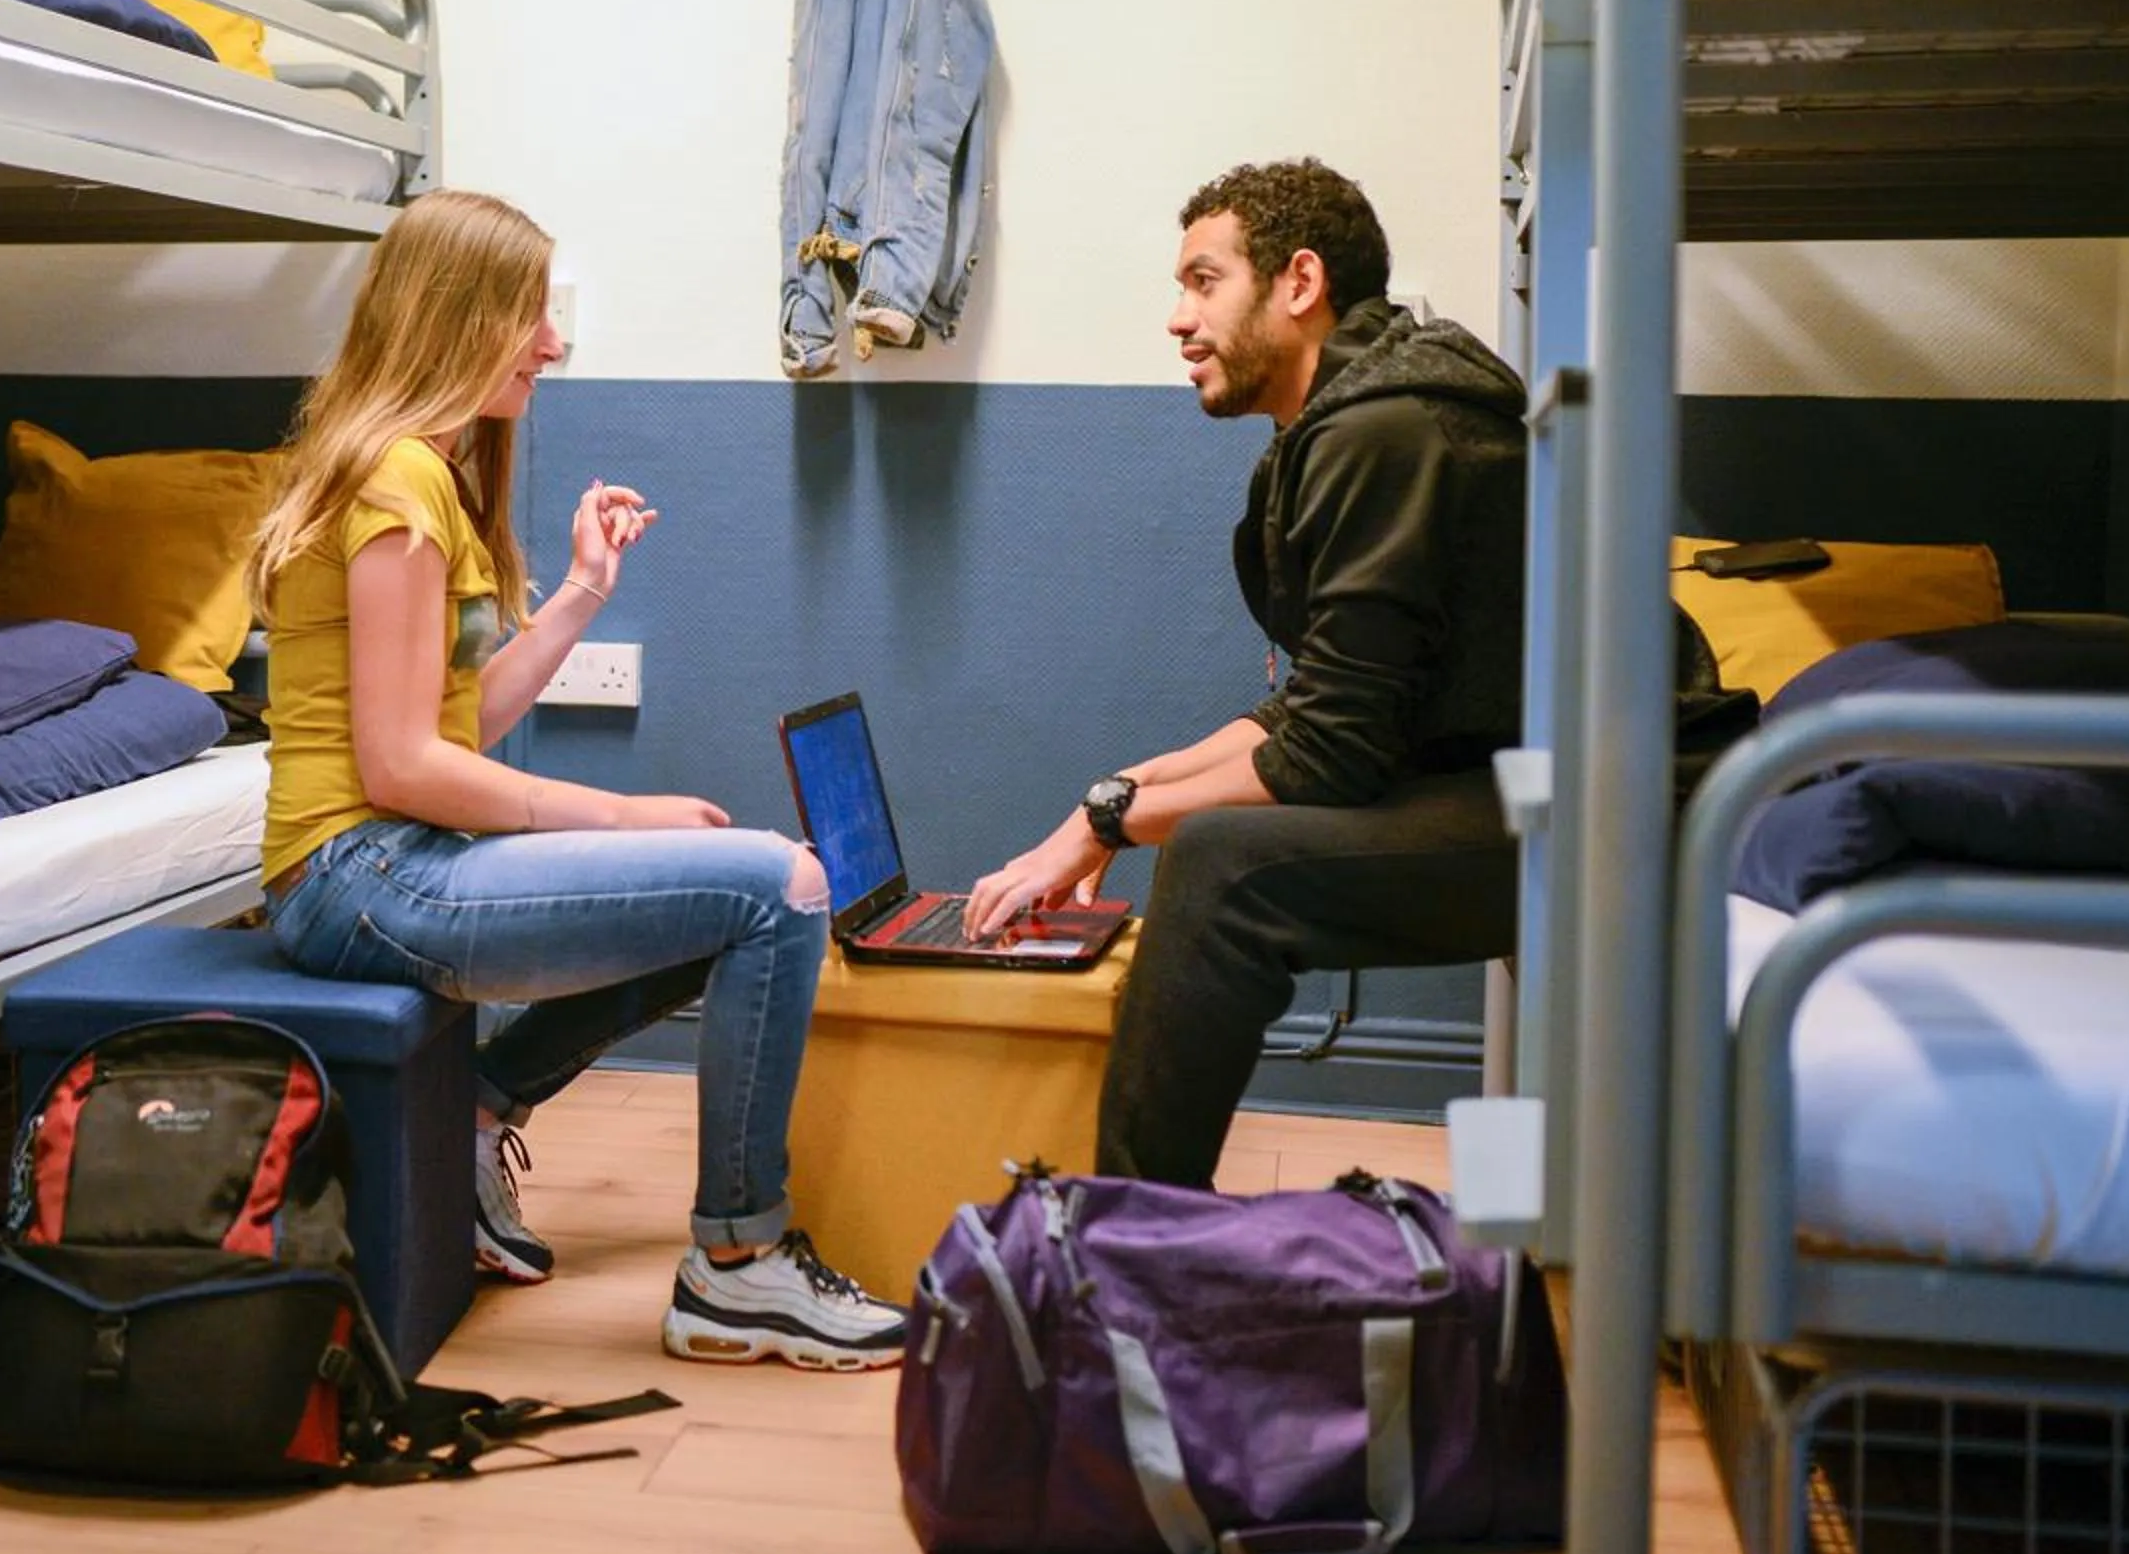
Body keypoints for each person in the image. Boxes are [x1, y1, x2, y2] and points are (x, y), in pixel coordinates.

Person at [247, 188, 905, 1371]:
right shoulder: (398, 482)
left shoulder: (420, 472)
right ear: (457, 317)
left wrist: (583, 593)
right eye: (530, 315)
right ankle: (739, 1272)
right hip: (356, 873)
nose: (553, 341)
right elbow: (401, 769)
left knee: (735, 898)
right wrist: (625, 809)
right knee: (778, 886)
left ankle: (482, 1109)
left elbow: (459, 719)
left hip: (375, 859)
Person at [963, 158, 1531, 1191]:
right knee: (1202, 834)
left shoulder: (1385, 430)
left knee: (1223, 864)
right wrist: (1113, 793)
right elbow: (1313, 707)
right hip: (1513, 780)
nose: (1179, 318)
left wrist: (1112, 821)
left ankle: (1127, 1247)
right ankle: (1134, 1235)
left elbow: (1329, 751)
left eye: (1205, 280)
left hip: (1604, 808)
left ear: (1298, 282)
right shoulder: (1353, 422)